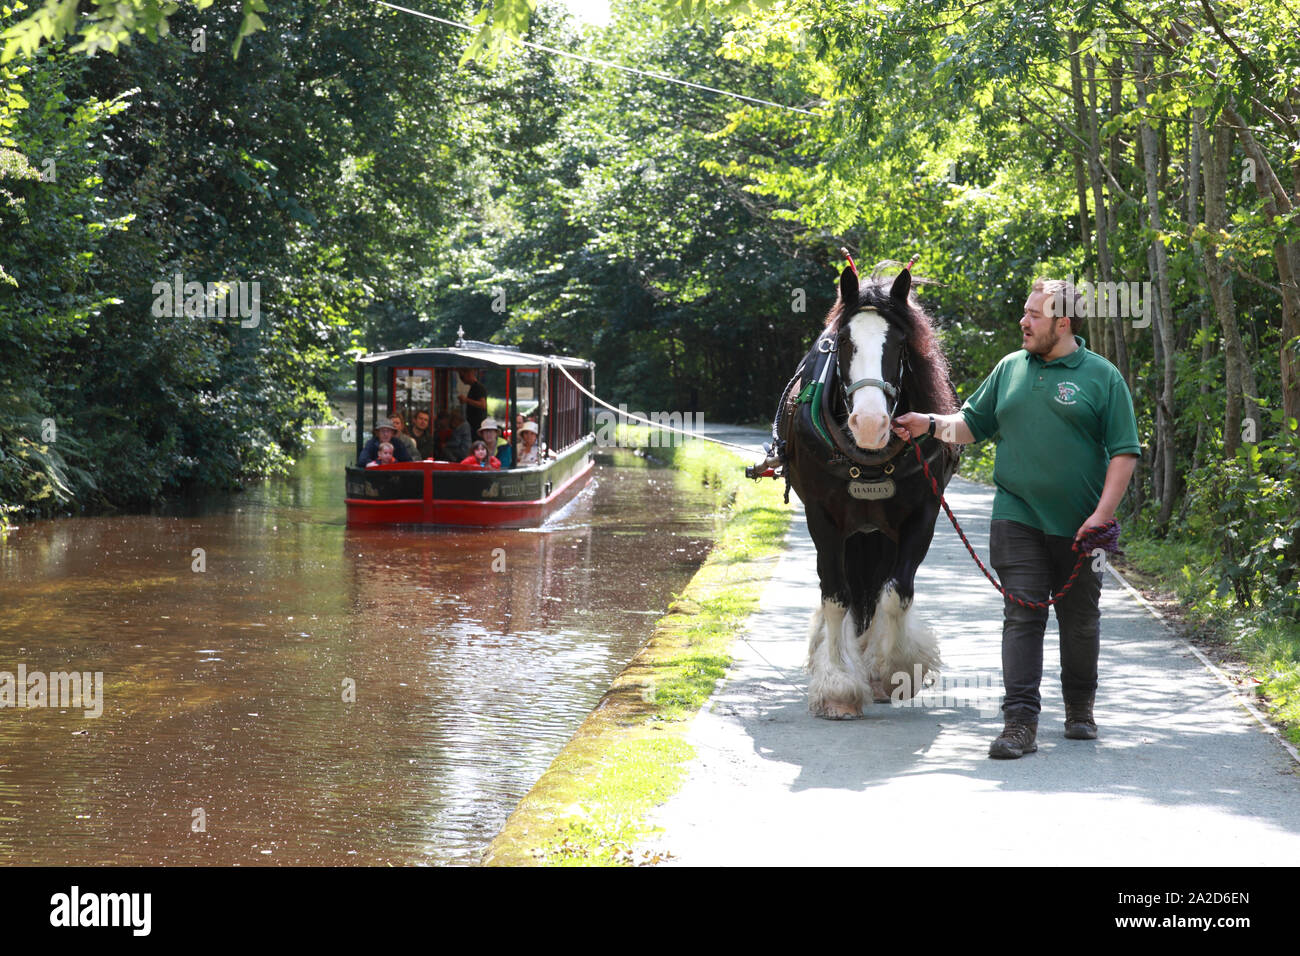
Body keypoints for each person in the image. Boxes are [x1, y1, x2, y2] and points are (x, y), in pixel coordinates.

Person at [892, 277, 1140, 759]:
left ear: (1062, 323)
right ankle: (1020, 722)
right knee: (1022, 614)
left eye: (1034, 315)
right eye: (1024, 312)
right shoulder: (1009, 369)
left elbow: (1124, 453)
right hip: (1016, 516)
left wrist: (1102, 517)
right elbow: (970, 425)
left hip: (1081, 528)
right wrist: (929, 424)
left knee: (1081, 620)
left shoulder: (1101, 376)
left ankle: (1079, 709)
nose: (1023, 322)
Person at [459, 368, 488, 435]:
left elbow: (483, 405)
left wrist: (466, 400)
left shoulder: (478, 388)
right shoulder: (474, 387)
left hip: (477, 424)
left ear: (469, 374)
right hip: (473, 424)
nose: (462, 380)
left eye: (462, 377)